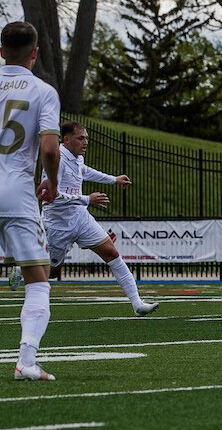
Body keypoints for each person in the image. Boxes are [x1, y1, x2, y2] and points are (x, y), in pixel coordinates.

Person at [8, 121, 158, 316]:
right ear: (67, 139)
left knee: (111, 253)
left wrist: (114, 179)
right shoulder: (56, 160)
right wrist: (87, 199)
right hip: (58, 225)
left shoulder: (77, 158)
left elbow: (84, 171)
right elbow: (52, 195)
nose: (86, 142)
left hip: (80, 218)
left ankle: (137, 304)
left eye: (86, 137)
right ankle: (22, 270)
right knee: (52, 272)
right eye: (81, 138)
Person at [0, 22, 61, 380]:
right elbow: (50, 149)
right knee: (37, 280)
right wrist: (51, 183)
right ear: (35, 53)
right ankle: (26, 359)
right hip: (16, 193)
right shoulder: (43, 91)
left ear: (1, 50)